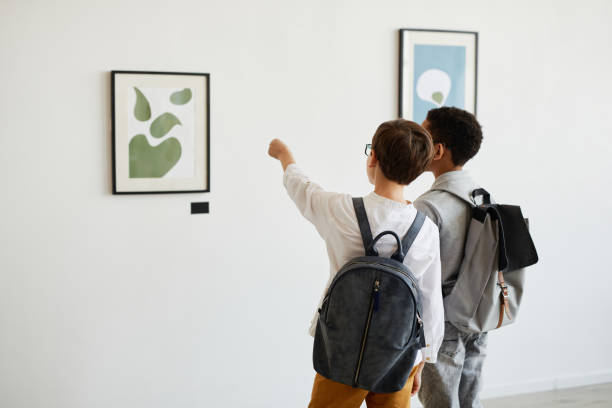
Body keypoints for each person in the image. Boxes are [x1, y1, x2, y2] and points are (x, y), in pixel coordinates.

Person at [268, 119, 444, 408]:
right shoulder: (425, 229)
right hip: (399, 353)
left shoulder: (341, 210)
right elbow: (430, 301)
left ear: (372, 156)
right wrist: (423, 360)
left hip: (341, 350)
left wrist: (284, 154)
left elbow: (303, 189)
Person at [414, 107, 486, 408]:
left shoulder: (429, 207)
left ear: (438, 150)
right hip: (477, 314)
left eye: (421, 138)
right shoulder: (482, 196)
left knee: (440, 403)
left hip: (440, 321)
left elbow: (414, 273)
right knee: (471, 400)